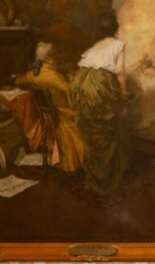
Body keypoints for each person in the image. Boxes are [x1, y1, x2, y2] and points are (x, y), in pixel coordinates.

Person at [68, 11, 130, 195]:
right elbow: (120, 74)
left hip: (81, 85)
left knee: (92, 130)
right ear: (115, 29)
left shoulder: (94, 47)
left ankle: (95, 176)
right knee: (107, 129)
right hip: (99, 87)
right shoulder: (119, 44)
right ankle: (105, 180)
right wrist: (123, 97)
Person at [16, 42, 86, 173]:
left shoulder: (35, 73)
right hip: (65, 115)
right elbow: (73, 92)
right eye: (57, 54)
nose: (60, 56)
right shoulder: (54, 76)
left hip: (49, 115)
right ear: (50, 56)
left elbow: (18, 81)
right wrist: (72, 77)